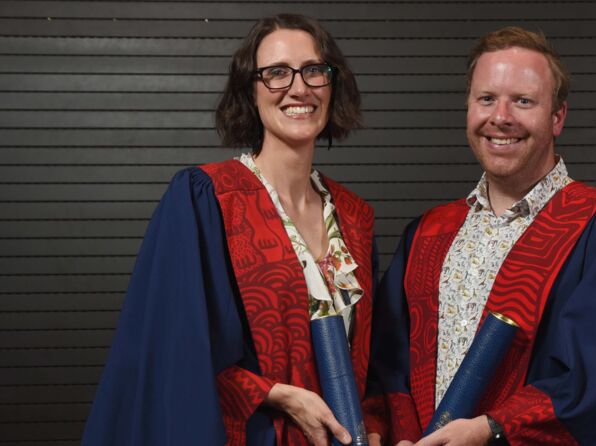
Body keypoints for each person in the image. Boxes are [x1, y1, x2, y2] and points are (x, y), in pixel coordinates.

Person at [363, 27, 596, 446]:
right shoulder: (428, 234)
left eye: (523, 101)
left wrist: (492, 430)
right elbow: (388, 370)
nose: (500, 117)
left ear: (557, 117)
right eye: (486, 99)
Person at [82, 14, 377, 446]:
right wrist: (277, 394)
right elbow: (171, 350)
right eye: (276, 73)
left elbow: (372, 362)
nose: (299, 88)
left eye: (313, 70)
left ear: (333, 84)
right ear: (250, 90)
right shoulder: (206, 198)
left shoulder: (355, 216)